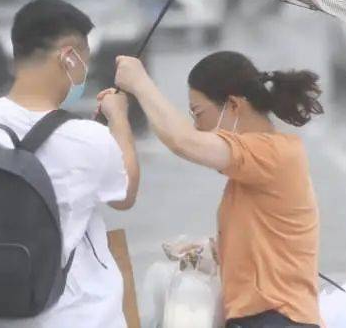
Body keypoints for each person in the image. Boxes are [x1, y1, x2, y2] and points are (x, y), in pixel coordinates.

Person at [0, 0, 140, 327]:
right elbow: (126, 192)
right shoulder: (86, 138)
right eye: (84, 62)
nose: (84, 74)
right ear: (68, 56)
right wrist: (119, 119)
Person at [104, 51, 324, 328]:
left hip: (277, 319)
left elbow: (183, 141)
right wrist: (212, 250)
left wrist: (139, 83)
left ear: (233, 105)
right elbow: (263, 239)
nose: (197, 125)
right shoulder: (253, 167)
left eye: (198, 113)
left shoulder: (273, 153)